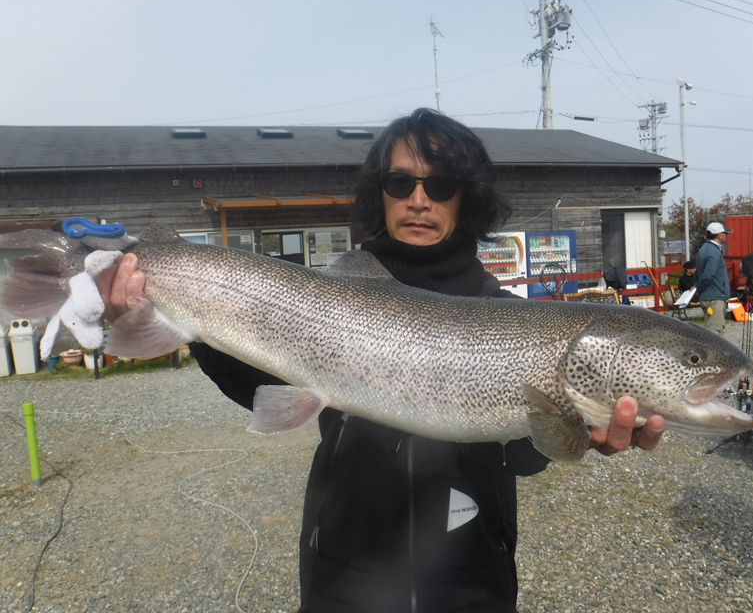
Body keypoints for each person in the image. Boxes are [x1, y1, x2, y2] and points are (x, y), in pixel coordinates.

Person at [100, 108, 665, 612]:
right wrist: (188, 325)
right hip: (342, 573)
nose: (419, 199)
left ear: (465, 196)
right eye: (400, 182)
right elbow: (258, 384)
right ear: (382, 193)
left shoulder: (509, 315)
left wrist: (575, 428)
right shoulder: (326, 290)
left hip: (470, 581)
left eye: (440, 183)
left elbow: (521, 459)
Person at [694, 222, 733, 334]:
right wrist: (699, 288)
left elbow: (698, 271)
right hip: (714, 298)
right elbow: (708, 275)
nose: (726, 235)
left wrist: (697, 285)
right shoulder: (713, 251)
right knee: (715, 331)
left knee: (714, 328)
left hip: (710, 297)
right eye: (725, 233)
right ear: (719, 235)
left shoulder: (704, 249)